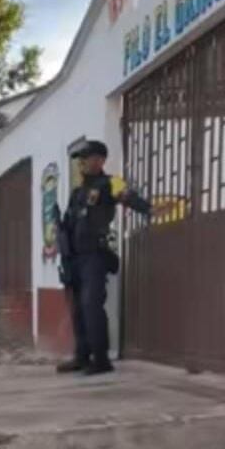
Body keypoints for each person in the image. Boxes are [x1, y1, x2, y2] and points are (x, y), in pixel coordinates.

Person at [56, 140, 160, 376]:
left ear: (100, 160)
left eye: (86, 158)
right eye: (81, 159)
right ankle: (82, 357)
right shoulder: (77, 192)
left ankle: (101, 360)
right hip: (74, 258)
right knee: (78, 309)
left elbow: (128, 196)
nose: (82, 163)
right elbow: (70, 224)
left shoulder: (110, 182)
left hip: (94, 256)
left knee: (91, 305)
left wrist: (149, 209)